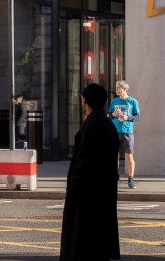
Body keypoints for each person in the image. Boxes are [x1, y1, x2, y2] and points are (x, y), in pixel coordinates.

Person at [59, 83, 120, 261]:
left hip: (87, 194)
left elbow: (84, 162)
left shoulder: (92, 125)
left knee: (81, 242)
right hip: (104, 191)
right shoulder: (108, 125)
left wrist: (74, 187)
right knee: (99, 242)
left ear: (85, 100)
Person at [108, 80, 140, 189]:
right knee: (114, 157)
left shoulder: (132, 102)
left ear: (125, 89)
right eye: (116, 88)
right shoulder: (114, 101)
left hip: (127, 133)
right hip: (115, 132)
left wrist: (127, 117)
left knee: (129, 156)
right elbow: (109, 116)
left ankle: (130, 179)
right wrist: (113, 114)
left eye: (118, 88)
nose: (116, 90)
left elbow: (137, 117)